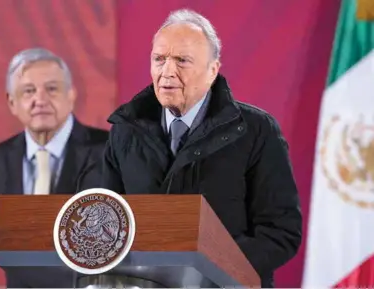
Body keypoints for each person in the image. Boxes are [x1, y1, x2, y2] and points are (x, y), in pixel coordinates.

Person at [101, 9, 302, 288]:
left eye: (182, 61)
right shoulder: (125, 130)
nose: (167, 71)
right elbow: (101, 219)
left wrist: (213, 268)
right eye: (159, 59)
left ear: (213, 71)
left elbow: (281, 231)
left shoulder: (257, 130)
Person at [0, 48, 109, 287]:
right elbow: (7, 245)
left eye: (51, 89)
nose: (40, 100)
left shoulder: (109, 151)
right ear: (12, 101)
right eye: (28, 91)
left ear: (71, 95)